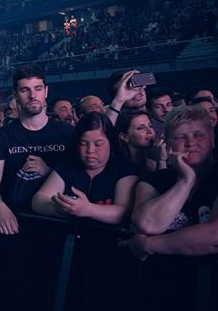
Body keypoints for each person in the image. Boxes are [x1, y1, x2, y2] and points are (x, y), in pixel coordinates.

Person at [0, 65, 73, 234]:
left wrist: (49, 171)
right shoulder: (2, 136)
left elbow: (81, 179)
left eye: (38, 88)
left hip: (59, 225)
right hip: (14, 223)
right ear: (16, 95)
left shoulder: (67, 133)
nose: (33, 95)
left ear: (46, 91)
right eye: (25, 90)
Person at [123, 106, 218, 259]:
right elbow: (147, 224)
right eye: (180, 137)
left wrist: (148, 245)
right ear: (167, 144)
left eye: (199, 135)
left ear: (212, 139)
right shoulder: (154, 180)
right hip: (159, 277)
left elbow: (214, 237)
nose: (190, 143)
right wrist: (186, 180)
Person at [32, 112, 138, 224]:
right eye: (83, 143)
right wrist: (59, 208)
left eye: (98, 144)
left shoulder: (125, 169)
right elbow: (38, 200)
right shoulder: (68, 166)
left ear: (111, 143)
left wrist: (88, 209)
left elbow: (124, 212)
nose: (90, 150)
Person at [116, 111, 167, 176]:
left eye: (150, 126)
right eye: (141, 128)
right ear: (124, 137)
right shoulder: (122, 168)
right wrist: (161, 161)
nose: (150, 131)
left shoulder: (153, 160)